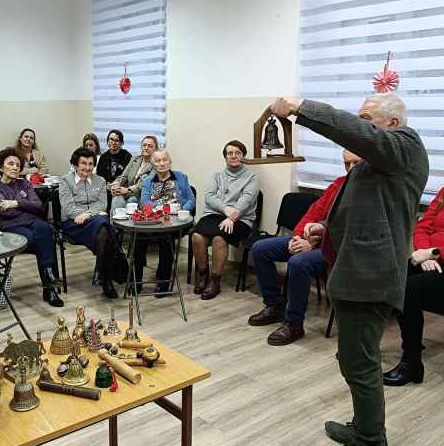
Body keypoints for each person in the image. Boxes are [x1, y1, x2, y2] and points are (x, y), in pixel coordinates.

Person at [270, 92, 428, 446]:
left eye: (366, 117)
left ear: (391, 123)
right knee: (354, 361)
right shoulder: (378, 162)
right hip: (355, 274)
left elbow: (358, 135)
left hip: (371, 279)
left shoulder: (404, 146)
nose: (358, 124)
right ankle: (364, 427)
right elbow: (365, 212)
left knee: (360, 365)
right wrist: (324, 228)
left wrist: (301, 108)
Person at [248, 150, 361, 344]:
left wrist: (313, 242)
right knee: (260, 249)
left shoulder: (369, 191)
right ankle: (274, 305)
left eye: (355, 163)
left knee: (298, 262)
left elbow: (350, 228)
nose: (350, 168)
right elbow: (313, 212)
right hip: (313, 240)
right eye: (346, 164)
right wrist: (297, 238)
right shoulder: (338, 184)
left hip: (338, 248)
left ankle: (294, 323)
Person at [382, 188, 444, 386]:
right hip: (432, 259)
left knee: (410, 290)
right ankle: (409, 342)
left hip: (436, 258)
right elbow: (423, 225)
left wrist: (434, 253)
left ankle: (412, 363)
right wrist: (423, 251)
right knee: (395, 275)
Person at [0, 147, 63, 307]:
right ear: (1, 167)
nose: (15, 167)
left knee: (45, 229)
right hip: (11, 227)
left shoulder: (25, 184)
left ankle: (49, 282)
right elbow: (3, 210)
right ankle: (49, 286)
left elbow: (39, 207)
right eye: (11, 164)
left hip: (34, 223)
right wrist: (26, 206)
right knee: (44, 240)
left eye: (17, 165)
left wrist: (16, 203)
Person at [191, 140, 258, 300]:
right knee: (197, 237)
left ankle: (215, 281)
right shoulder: (217, 176)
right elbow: (209, 197)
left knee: (219, 239)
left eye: (238, 153)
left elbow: (246, 200)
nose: (233, 156)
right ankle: (202, 275)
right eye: (230, 153)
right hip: (215, 214)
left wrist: (233, 217)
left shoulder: (251, 177)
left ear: (243, 156)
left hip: (241, 219)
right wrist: (226, 210)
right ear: (225, 157)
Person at [59, 147, 119, 299]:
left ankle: (102, 275)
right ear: (75, 164)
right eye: (83, 163)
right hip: (73, 224)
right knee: (107, 227)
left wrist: (86, 214)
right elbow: (68, 208)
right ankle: (106, 279)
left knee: (103, 227)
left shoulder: (100, 181)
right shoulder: (65, 180)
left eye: (91, 164)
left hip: (92, 221)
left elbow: (102, 204)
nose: (87, 167)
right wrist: (88, 214)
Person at [139, 149, 196, 296]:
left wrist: (182, 209)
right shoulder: (147, 181)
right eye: (157, 161)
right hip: (155, 219)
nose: (162, 163)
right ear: (153, 164)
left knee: (167, 237)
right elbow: (144, 202)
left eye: (165, 160)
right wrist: (158, 210)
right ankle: (136, 281)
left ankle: (163, 282)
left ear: (170, 162)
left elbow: (191, 199)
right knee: (137, 238)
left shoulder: (181, 178)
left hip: (176, 221)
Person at [110, 135, 158, 212]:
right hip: (126, 191)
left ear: (155, 149)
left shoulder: (156, 164)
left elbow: (146, 183)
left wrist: (127, 190)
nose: (146, 148)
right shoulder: (135, 159)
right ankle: (115, 223)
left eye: (150, 146)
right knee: (117, 197)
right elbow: (124, 176)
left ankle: (127, 223)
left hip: (141, 195)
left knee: (132, 201)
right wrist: (116, 184)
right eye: (144, 145)